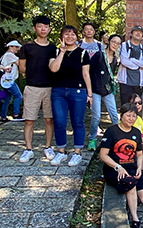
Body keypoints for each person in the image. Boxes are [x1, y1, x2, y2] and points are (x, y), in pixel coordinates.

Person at [48, 25, 92, 166]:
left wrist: (89, 94)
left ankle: (77, 152)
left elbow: (86, 74)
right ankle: (61, 151)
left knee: (77, 122)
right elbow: (53, 69)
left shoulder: (83, 53)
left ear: (77, 37)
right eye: (66, 34)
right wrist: (61, 52)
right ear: (61, 36)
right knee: (59, 121)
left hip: (78, 91)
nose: (70, 36)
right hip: (58, 91)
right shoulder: (54, 51)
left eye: (73, 34)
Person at [18, 16, 57, 162]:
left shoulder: (53, 48)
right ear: (34, 28)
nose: (43, 29)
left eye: (46, 26)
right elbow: (22, 67)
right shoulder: (26, 47)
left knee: (49, 119)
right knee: (29, 120)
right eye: (40, 26)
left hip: (50, 87)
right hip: (32, 87)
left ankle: (48, 147)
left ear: (49, 29)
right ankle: (28, 149)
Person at [87, 33, 120, 150]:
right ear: (109, 42)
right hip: (95, 89)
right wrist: (89, 92)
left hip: (107, 90)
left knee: (114, 115)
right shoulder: (99, 55)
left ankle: (118, 138)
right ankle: (92, 139)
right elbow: (89, 72)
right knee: (96, 115)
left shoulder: (115, 59)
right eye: (113, 42)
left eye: (118, 43)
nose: (115, 45)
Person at [118, 25, 143, 105]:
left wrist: (132, 60)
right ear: (131, 34)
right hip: (125, 82)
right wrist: (138, 66)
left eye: (140, 32)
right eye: (136, 31)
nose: (138, 33)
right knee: (125, 106)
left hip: (138, 83)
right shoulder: (124, 45)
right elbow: (124, 61)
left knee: (136, 106)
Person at [0, 40, 24, 122]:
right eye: (16, 47)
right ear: (10, 47)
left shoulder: (5, 55)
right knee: (18, 96)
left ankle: (3, 117)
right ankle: (16, 114)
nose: (17, 49)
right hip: (8, 80)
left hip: (5, 80)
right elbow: (20, 64)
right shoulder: (10, 55)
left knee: (8, 99)